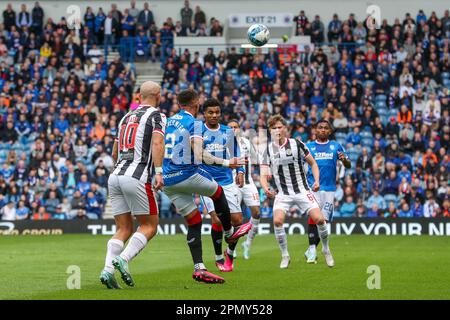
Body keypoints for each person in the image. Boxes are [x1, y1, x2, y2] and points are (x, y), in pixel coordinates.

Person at [163, 89, 252, 284]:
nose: (212, 115)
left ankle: (199, 268)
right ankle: (229, 236)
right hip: (189, 173)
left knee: (194, 221)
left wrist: (157, 172)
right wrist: (228, 164)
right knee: (217, 194)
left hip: (168, 179)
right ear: (196, 104)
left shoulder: (167, 122)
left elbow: (156, 145)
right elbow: (201, 155)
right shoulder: (195, 124)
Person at [100, 81, 166, 289]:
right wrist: (158, 172)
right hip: (137, 176)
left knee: (123, 228)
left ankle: (107, 270)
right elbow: (157, 143)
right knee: (150, 226)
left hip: (116, 174)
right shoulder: (157, 115)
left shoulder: (125, 117)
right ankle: (124, 259)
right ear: (157, 94)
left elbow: (114, 151)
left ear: (139, 96)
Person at [260, 115, 334, 269]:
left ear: (285, 128)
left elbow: (313, 164)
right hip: (283, 193)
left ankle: (326, 250)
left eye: (280, 127)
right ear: (270, 131)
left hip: (302, 190)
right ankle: (285, 255)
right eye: (274, 128)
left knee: (320, 220)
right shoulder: (267, 150)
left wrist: (317, 181)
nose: (277, 130)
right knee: (277, 221)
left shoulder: (297, 144)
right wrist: (265, 187)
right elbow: (263, 174)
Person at [198, 99, 245, 272]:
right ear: (204, 113)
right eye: (210, 112)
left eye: (217, 112)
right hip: (207, 181)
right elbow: (197, 155)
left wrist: (240, 171)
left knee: (238, 221)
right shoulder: (198, 130)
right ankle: (218, 256)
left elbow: (237, 153)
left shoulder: (227, 131)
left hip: (227, 181)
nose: (214, 115)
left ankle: (229, 252)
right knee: (217, 219)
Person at [304, 119, 351, 264]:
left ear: (329, 131)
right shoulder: (308, 147)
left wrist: (344, 160)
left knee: (323, 221)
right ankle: (312, 248)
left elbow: (348, 165)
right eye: (320, 128)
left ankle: (315, 249)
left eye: (325, 128)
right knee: (314, 217)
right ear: (315, 130)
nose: (323, 130)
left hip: (330, 189)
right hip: (313, 188)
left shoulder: (336, 146)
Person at [227, 119, 261, 260]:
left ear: (239, 129)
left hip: (248, 182)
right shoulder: (223, 144)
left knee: (257, 212)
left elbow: (256, 159)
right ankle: (231, 248)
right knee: (234, 219)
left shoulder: (247, 143)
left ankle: (247, 243)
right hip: (231, 183)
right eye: (230, 127)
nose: (233, 129)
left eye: (235, 127)